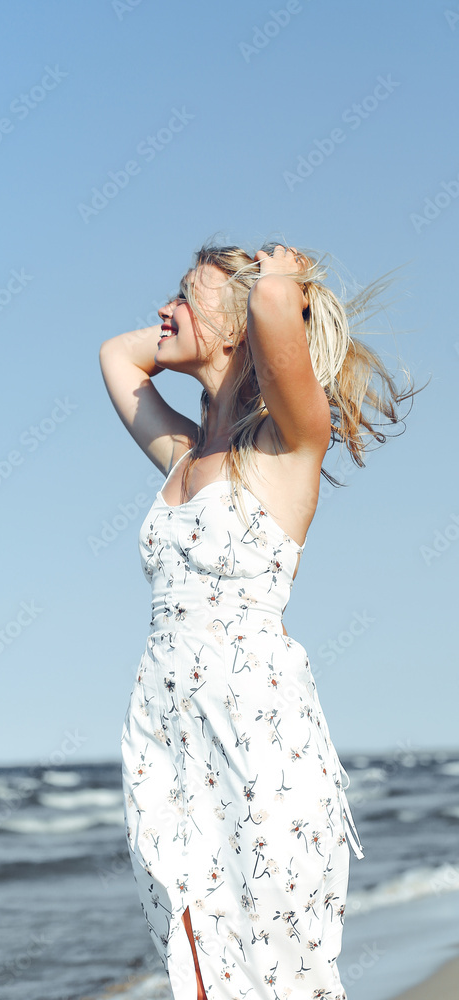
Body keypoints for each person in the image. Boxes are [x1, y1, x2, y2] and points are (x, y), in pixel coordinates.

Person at [99, 240, 419, 1000]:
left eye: (183, 295)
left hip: (256, 726)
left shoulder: (290, 443)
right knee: (194, 950)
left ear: (243, 324)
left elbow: (274, 308)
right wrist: (199, 327)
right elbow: (116, 355)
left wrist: (278, 279)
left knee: (280, 960)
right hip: (163, 729)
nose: (162, 310)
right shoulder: (184, 454)